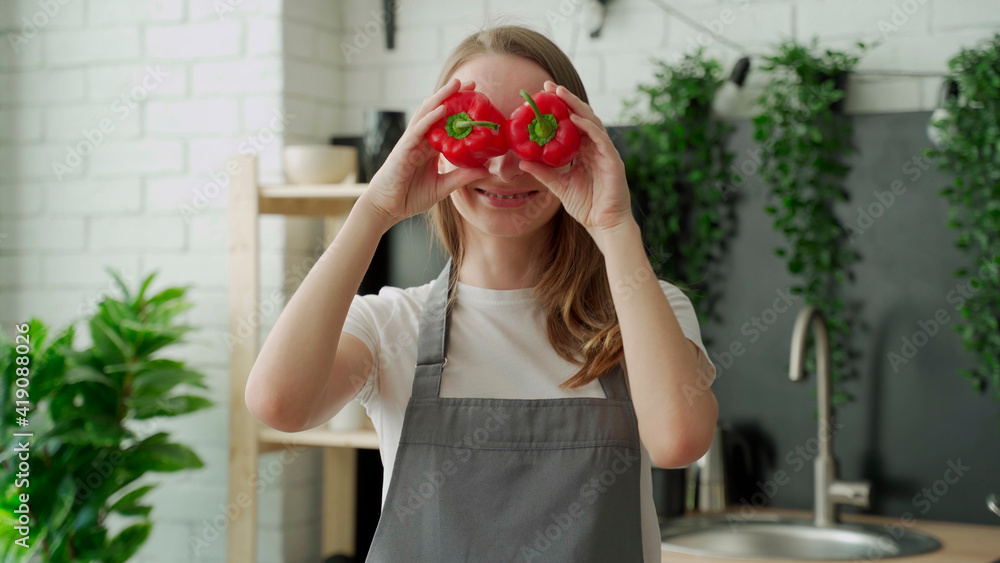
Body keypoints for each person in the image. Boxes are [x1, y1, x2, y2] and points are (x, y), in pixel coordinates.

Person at [246, 24, 718, 562]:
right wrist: (374, 210)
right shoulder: (388, 325)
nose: (503, 166)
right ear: (436, 143)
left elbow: (679, 441)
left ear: (579, 144)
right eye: (476, 130)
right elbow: (277, 404)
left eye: (532, 133)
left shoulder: (642, 312)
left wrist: (613, 225)